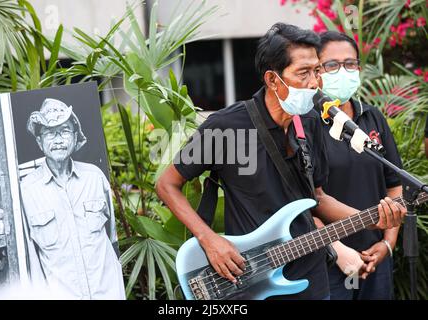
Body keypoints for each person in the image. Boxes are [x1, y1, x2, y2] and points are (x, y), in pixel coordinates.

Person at [156, 23, 406, 300]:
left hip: (312, 281)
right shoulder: (227, 126)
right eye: (303, 73)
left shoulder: (311, 123)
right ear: (273, 80)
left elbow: (318, 198)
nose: (315, 82)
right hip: (248, 280)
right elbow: (167, 184)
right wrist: (208, 239)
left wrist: (371, 221)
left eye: (316, 70)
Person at [317, 31, 403, 300]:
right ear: (315, 70)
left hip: (375, 256)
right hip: (328, 261)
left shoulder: (372, 117)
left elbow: (395, 185)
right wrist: (338, 250)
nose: (342, 71)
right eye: (332, 65)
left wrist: (387, 244)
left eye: (350, 63)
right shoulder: (306, 123)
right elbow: (304, 200)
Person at [20, 98, 125, 299]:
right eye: (50, 133)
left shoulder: (95, 178)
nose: (58, 139)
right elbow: (32, 259)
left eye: (65, 131)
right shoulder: (27, 190)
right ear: (39, 141)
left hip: (108, 292)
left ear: (75, 137)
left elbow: (112, 240)